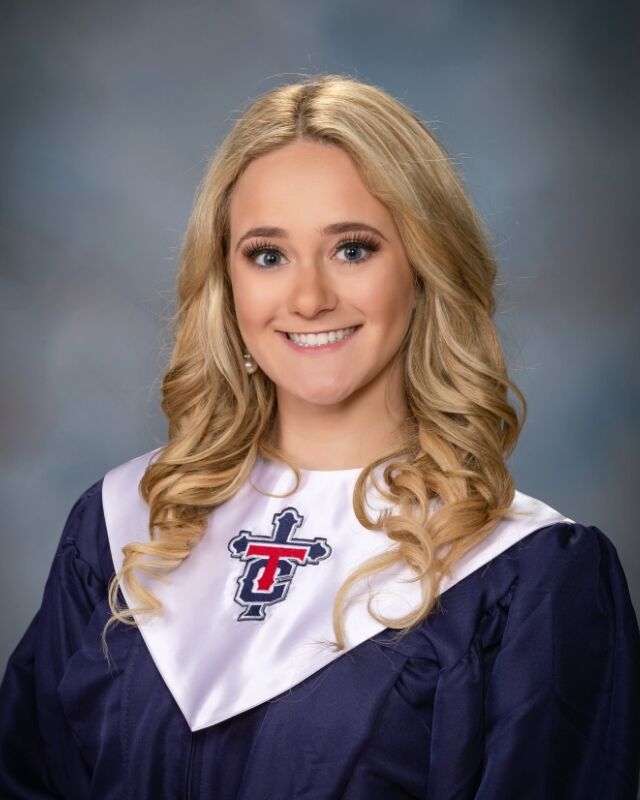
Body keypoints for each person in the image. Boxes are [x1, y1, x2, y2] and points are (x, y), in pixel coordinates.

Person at [1, 74, 639, 799]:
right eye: (267, 255)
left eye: (353, 249)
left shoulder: (525, 577)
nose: (308, 298)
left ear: (424, 268)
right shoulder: (122, 528)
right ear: (227, 283)